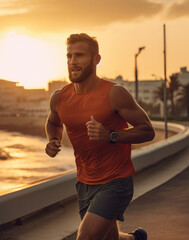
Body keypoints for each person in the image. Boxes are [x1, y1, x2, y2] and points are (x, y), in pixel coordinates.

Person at [45, 33, 155, 240]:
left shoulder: (115, 93)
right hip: (85, 182)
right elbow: (53, 122)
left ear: (96, 59)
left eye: (79, 56)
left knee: (86, 237)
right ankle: (134, 239)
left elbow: (147, 130)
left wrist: (111, 135)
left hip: (116, 180)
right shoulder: (60, 97)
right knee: (109, 237)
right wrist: (53, 139)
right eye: (69, 56)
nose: (72, 62)